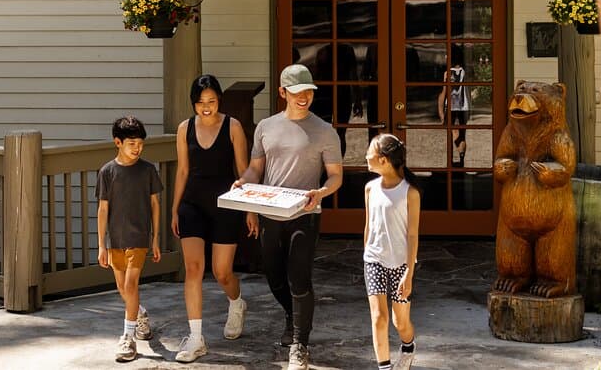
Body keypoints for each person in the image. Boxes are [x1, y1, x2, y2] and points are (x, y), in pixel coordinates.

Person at [232, 64, 343, 370]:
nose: (303, 97)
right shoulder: (266, 127)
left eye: (308, 91)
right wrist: (245, 183)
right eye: (296, 92)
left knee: (299, 277)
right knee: (274, 275)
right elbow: (256, 168)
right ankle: (292, 316)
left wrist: (321, 192)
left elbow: (336, 176)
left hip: (305, 212)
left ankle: (300, 344)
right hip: (270, 213)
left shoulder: (324, 131)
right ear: (283, 93)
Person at [171, 75, 254, 363]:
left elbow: (244, 172)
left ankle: (236, 302)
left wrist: (250, 209)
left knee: (222, 273)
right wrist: (175, 208)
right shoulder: (185, 128)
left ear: (219, 100)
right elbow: (182, 171)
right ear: (193, 103)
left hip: (226, 206)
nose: (206, 107)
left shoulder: (233, 126)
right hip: (192, 204)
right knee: (193, 269)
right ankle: (196, 339)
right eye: (200, 102)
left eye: (211, 101)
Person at [96, 115, 163, 363]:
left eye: (140, 144)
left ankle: (128, 337)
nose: (137, 148)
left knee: (132, 285)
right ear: (118, 142)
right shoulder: (107, 172)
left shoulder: (147, 170)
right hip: (116, 239)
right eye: (131, 143)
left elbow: (155, 204)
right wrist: (101, 244)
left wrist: (155, 238)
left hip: (139, 237)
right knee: (123, 289)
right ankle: (140, 314)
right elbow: (103, 209)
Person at [363, 134, 421, 370]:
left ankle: (408, 348)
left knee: (400, 321)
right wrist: (366, 253)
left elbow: (413, 235)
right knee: (379, 318)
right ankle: (384, 367)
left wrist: (409, 272)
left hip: (400, 265)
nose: (366, 155)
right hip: (374, 260)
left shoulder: (410, 193)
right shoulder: (369, 188)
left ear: (384, 160)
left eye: (370, 151)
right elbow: (368, 225)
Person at [437, 48, 469, 167]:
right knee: (462, 134)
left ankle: (450, 161)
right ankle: (461, 159)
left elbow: (444, 93)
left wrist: (440, 112)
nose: (445, 57)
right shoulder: (466, 71)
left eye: (447, 55)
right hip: (463, 107)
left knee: (451, 133)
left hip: (450, 107)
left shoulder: (447, 73)